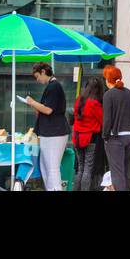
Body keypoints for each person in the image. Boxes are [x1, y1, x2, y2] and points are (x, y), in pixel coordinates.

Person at [24, 62, 70, 190]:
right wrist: (36, 106)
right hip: (52, 132)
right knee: (47, 167)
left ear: (43, 72)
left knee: (51, 168)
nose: (38, 80)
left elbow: (48, 110)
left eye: (38, 76)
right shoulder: (53, 86)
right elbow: (48, 109)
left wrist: (33, 102)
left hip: (54, 133)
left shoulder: (54, 87)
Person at [101, 65, 130, 191]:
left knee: (117, 172)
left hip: (116, 137)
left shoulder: (109, 95)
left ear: (108, 80)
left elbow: (107, 119)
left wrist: (105, 136)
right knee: (125, 171)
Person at [72, 75, 106, 192]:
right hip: (90, 138)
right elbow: (103, 121)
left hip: (77, 137)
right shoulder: (95, 103)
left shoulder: (78, 100)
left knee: (80, 168)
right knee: (88, 168)